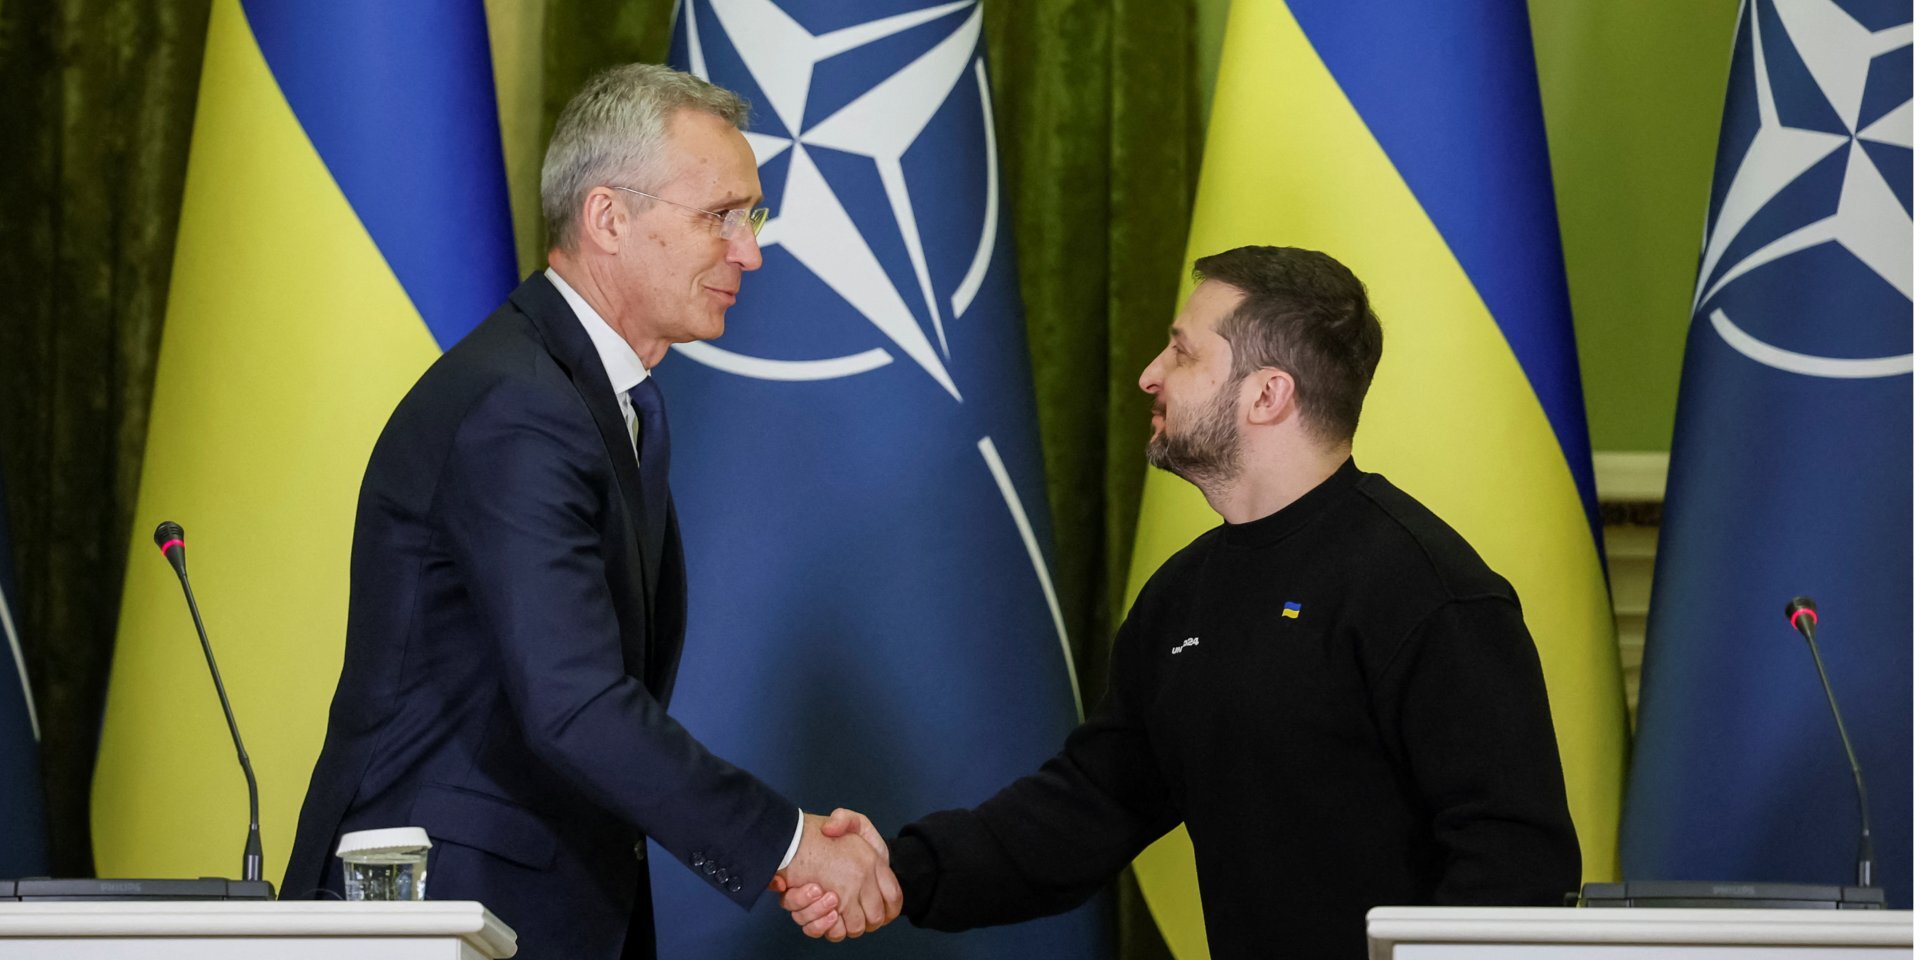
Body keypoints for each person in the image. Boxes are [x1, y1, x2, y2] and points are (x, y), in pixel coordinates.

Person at [779, 246, 1581, 957]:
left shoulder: (1430, 592)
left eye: (1182, 352)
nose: (1149, 375)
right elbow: (1091, 805)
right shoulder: (1184, 594)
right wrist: (898, 871)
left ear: (1267, 395)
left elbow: (1516, 864)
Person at [282, 64, 900, 959]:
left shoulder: (595, 399)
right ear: (608, 218)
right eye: (720, 216)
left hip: (533, 904)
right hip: (440, 906)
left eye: (752, 218)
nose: (750, 252)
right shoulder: (518, 407)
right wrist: (789, 844)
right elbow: (574, 705)